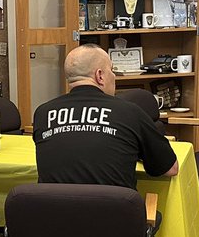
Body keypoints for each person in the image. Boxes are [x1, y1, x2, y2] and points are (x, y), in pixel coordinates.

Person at [33, 44, 178, 189]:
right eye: (112, 70)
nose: (114, 76)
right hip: (116, 210)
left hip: (54, 210)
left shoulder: (42, 114)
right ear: (100, 76)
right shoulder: (130, 112)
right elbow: (171, 169)